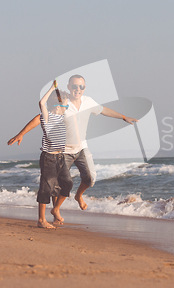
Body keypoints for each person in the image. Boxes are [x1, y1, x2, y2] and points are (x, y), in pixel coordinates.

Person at [8, 75, 138, 211]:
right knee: (57, 185)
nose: (78, 89)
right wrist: (21, 133)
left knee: (90, 179)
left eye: (81, 86)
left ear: (84, 88)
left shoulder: (88, 102)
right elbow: (40, 117)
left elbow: (104, 110)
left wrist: (123, 117)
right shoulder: (63, 103)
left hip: (82, 147)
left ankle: (78, 196)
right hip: (63, 151)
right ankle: (56, 209)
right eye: (74, 86)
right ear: (69, 87)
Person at [36, 80, 71, 229]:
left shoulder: (63, 118)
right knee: (46, 188)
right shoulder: (48, 117)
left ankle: (55, 209)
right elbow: (42, 103)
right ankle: (41, 220)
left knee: (67, 183)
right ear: (58, 106)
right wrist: (52, 88)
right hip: (49, 158)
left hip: (60, 157)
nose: (68, 108)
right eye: (66, 105)